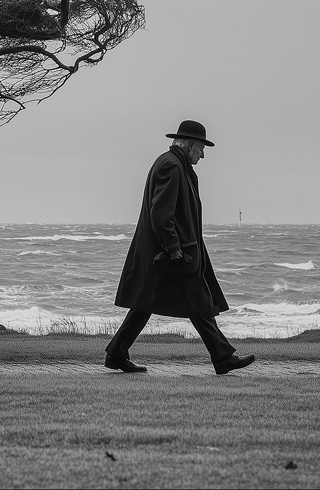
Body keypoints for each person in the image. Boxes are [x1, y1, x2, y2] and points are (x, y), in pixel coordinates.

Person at [105, 120, 255, 375]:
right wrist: (174, 248)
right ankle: (222, 358)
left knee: (147, 303)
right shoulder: (171, 166)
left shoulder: (173, 164)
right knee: (196, 301)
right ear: (187, 145)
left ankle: (117, 353)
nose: (203, 154)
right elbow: (162, 215)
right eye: (200, 148)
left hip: (168, 252)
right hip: (172, 253)